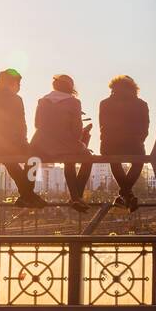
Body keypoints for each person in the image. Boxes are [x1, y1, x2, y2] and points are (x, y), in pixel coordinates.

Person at [0, 68, 46, 208]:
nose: (19, 88)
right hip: (6, 145)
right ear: (13, 84)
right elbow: (20, 126)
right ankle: (27, 194)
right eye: (18, 85)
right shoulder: (15, 99)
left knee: (10, 162)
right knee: (34, 158)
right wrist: (24, 144)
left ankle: (27, 195)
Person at [30, 74, 93, 212]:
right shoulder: (74, 102)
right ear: (71, 88)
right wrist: (81, 135)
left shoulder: (43, 101)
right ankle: (76, 197)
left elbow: (37, 124)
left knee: (32, 160)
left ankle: (26, 192)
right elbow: (76, 132)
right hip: (65, 144)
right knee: (87, 158)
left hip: (41, 144)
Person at [99, 75, 149, 211]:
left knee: (114, 161)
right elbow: (145, 128)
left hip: (110, 145)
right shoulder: (141, 104)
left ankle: (126, 196)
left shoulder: (104, 103)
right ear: (133, 88)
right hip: (134, 144)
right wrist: (139, 140)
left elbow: (102, 126)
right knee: (139, 161)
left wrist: (106, 142)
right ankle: (126, 194)